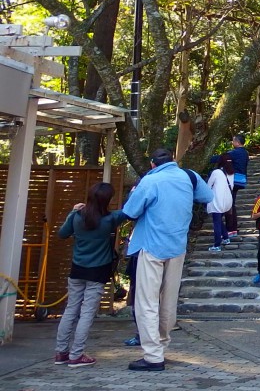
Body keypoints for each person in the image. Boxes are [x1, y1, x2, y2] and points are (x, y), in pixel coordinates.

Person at [121, 148, 214, 371]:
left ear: (153, 164)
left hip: (152, 246)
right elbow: (208, 197)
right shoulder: (189, 176)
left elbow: (130, 211)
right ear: (173, 161)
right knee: (169, 300)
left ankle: (153, 355)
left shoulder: (150, 181)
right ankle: (161, 345)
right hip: (178, 246)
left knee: (147, 301)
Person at [54, 182, 129, 368]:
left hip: (77, 269)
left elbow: (62, 234)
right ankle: (76, 355)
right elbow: (130, 210)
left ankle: (61, 353)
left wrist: (72, 211)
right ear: (108, 200)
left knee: (71, 309)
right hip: (98, 271)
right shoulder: (111, 219)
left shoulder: (77, 216)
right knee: (87, 313)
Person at [205, 155, 234, 252]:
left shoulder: (216, 172)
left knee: (216, 222)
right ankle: (226, 238)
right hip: (227, 200)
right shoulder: (231, 172)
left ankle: (217, 244)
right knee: (219, 220)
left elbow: (208, 186)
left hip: (217, 201)